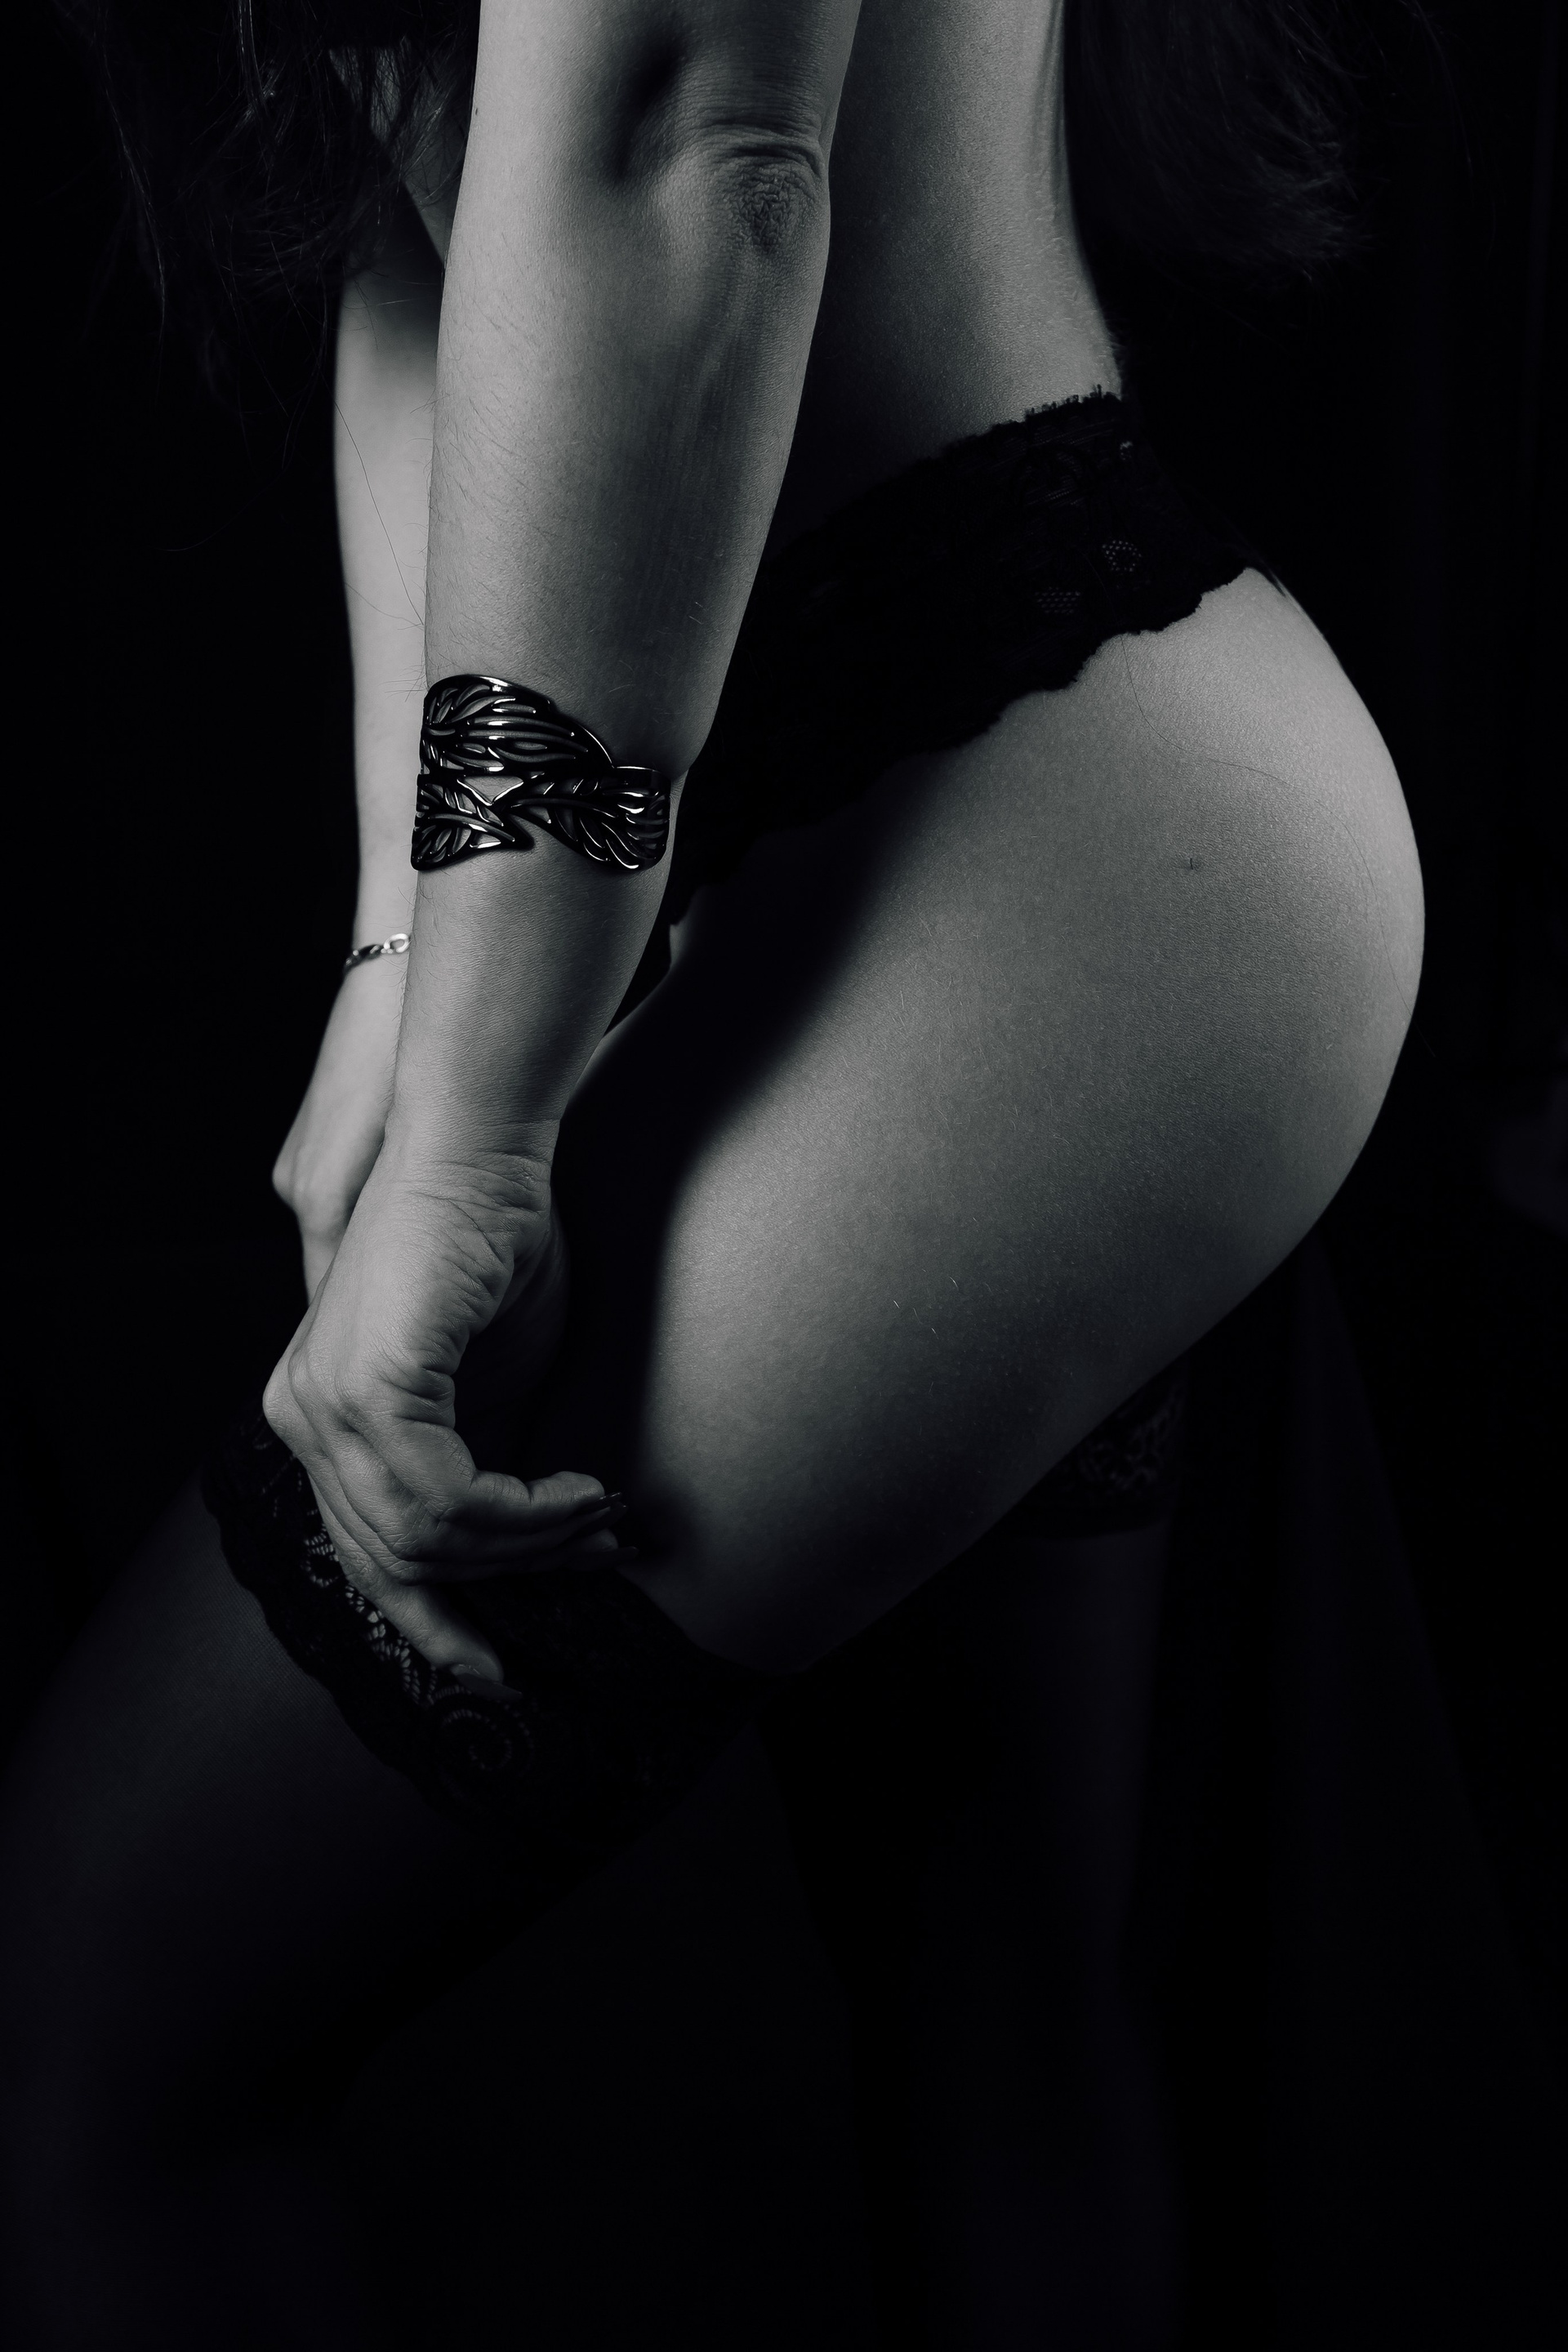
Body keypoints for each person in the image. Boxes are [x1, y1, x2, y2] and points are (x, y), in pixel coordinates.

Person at [1, 0, 1423, 2343]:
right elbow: (433, 209)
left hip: (1041, 846)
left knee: (100, 2025)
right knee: (1000, 2005)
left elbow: (685, 153)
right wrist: (411, 951)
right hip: (897, 847)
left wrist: (476, 1121)